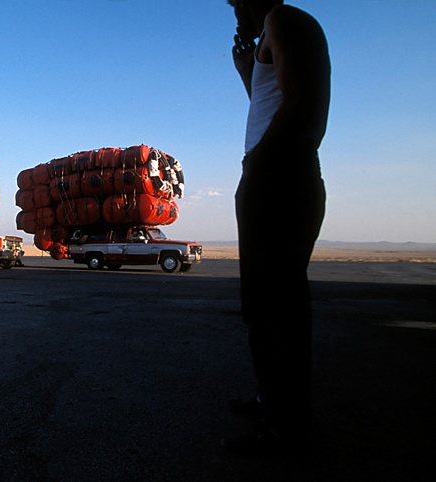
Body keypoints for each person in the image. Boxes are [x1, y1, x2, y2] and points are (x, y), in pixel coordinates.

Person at [222, 0, 330, 455]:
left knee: (274, 309)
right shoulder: (271, 31)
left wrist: (258, 163)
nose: (231, 6)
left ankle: (285, 431)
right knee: (267, 305)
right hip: (278, 173)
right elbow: (271, 100)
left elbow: (301, 106)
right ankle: (274, 402)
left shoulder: (282, 20)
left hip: (278, 175)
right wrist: (247, 68)